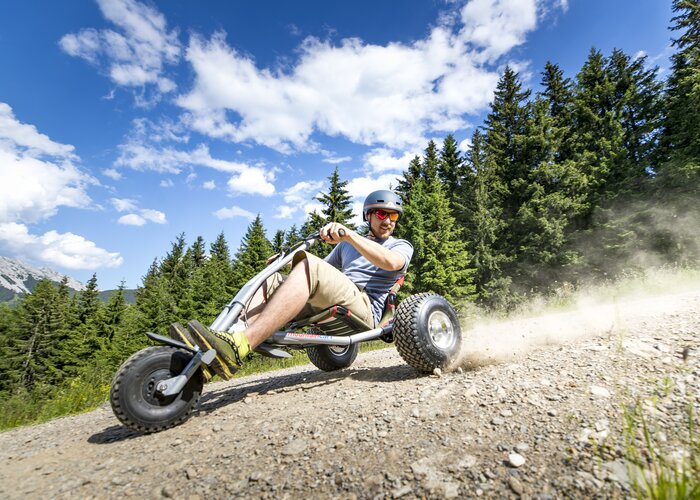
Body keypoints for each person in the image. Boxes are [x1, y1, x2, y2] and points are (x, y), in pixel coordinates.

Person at [186, 190, 413, 380]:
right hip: (338, 298)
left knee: (308, 264)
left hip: (366, 308)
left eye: (393, 217)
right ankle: (224, 342)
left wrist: (350, 235)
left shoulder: (399, 245)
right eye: (382, 213)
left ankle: (242, 344)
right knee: (270, 278)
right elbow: (316, 274)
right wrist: (284, 266)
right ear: (368, 216)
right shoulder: (346, 247)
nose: (387, 221)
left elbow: (392, 263)